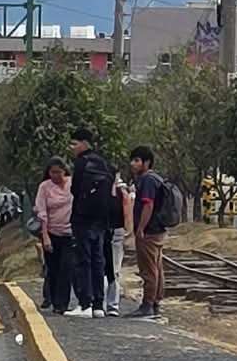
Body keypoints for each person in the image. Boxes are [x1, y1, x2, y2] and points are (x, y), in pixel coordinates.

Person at [69, 127, 113, 318]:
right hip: (101, 221)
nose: (72, 147)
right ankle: (98, 305)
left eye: (74, 143)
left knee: (83, 261)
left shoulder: (81, 163)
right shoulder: (103, 163)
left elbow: (75, 190)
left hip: (82, 219)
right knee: (98, 261)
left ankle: (84, 303)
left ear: (84, 143)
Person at [128, 146, 167, 319]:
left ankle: (148, 304)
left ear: (147, 162)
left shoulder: (148, 180)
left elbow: (148, 205)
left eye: (137, 160)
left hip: (149, 231)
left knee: (148, 269)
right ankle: (155, 301)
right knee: (157, 267)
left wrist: (140, 229)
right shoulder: (157, 179)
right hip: (158, 229)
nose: (133, 164)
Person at [35, 157, 78, 316]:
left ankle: (62, 303)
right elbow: (42, 212)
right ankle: (53, 299)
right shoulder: (44, 187)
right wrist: (45, 236)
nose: (56, 176)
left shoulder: (72, 184)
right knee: (53, 269)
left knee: (66, 268)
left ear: (64, 171)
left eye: (58, 172)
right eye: (52, 172)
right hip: (52, 233)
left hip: (70, 233)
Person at [103, 173, 134, 317]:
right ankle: (108, 304)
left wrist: (128, 232)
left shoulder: (121, 192)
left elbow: (127, 213)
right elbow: (127, 214)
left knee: (110, 269)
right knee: (111, 269)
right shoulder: (120, 191)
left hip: (113, 232)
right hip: (107, 232)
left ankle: (108, 304)